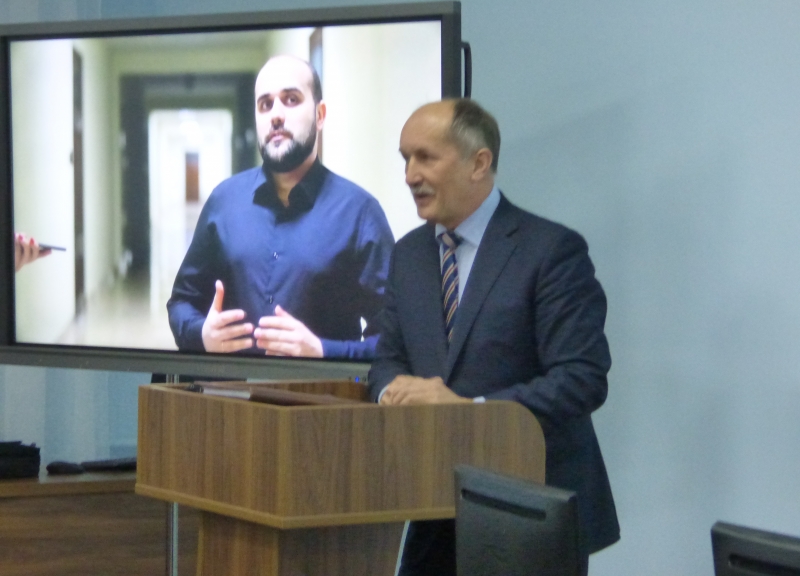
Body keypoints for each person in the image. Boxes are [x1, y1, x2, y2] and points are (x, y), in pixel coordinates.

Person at [368, 99, 619, 575]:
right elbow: (387, 362)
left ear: (479, 163)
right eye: (405, 159)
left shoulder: (550, 251)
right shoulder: (409, 255)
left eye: (425, 157)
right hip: (432, 503)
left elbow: (582, 379)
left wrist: (470, 411)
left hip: (531, 509)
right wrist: (391, 393)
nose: (410, 175)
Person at [167, 55, 394, 360]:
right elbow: (182, 302)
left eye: (291, 100)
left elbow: (395, 338)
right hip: (230, 390)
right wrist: (201, 335)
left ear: (320, 115)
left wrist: (323, 351)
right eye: (265, 104)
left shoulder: (359, 213)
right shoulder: (224, 201)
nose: (276, 115)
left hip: (322, 390)